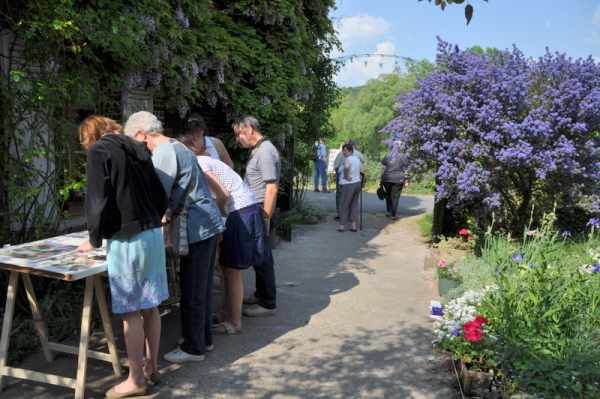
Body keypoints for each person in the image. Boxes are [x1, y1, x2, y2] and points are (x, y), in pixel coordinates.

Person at [77, 115, 169, 398]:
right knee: (150, 306)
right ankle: (152, 368)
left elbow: (97, 199)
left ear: (89, 137)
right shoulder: (137, 146)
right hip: (152, 232)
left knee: (131, 312)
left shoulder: (99, 151)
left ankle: (136, 380)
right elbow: (158, 191)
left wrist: (93, 239)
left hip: (127, 237)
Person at [124, 111, 225, 364]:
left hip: (198, 227)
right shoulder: (176, 146)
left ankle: (194, 348)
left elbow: (158, 195)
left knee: (192, 288)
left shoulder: (164, 151)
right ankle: (203, 340)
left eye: (135, 141)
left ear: (142, 134)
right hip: (206, 224)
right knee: (199, 286)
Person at [178, 142, 267, 334]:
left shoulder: (198, 163)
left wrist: (219, 219)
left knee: (231, 270)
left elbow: (223, 194)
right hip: (245, 209)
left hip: (238, 211)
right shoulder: (205, 160)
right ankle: (227, 314)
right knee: (228, 268)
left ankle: (234, 322)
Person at [232, 116, 279, 317]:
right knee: (260, 255)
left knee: (263, 257)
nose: (237, 139)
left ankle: (267, 303)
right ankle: (261, 295)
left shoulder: (265, 151)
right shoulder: (259, 150)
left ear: (249, 129)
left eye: (239, 134)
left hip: (261, 208)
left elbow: (272, 187)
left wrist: (266, 217)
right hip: (256, 207)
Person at [334, 139, 364, 220]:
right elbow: (363, 165)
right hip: (357, 179)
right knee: (354, 200)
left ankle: (340, 215)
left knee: (341, 198)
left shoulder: (341, 154)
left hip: (345, 181)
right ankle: (352, 217)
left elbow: (336, 166)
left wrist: (343, 176)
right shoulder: (359, 154)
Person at [381, 141, 408, 220]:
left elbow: (382, 168)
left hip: (386, 178)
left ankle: (389, 211)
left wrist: (381, 178)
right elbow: (406, 169)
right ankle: (393, 214)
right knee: (395, 197)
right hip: (398, 179)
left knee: (388, 195)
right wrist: (406, 180)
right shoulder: (403, 156)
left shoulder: (387, 156)